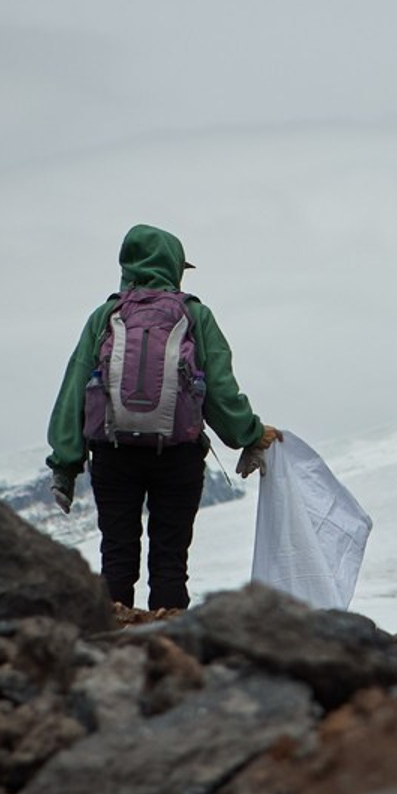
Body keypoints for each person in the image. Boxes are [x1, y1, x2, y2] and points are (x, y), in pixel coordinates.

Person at [46, 224, 281, 611]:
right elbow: (220, 390)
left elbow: (75, 388)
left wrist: (65, 462)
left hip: (113, 453)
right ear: (174, 265)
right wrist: (249, 435)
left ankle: (108, 638)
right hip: (177, 456)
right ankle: (170, 639)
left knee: (116, 558)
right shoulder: (195, 315)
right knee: (170, 564)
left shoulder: (105, 316)